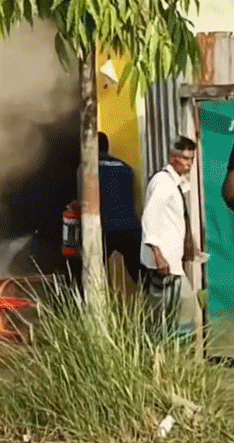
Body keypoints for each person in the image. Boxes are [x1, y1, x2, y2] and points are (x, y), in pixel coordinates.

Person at [141, 136, 198, 337]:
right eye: (185, 158)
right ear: (173, 158)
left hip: (173, 264)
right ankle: (160, 358)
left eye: (191, 159)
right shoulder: (163, 183)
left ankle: (175, 357)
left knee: (182, 310)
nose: (189, 163)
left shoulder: (176, 184)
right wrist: (158, 255)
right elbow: (150, 219)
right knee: (164, 317)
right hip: (163, 266)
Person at [75, 132, 143, 282]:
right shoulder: (126, 168)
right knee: (141, 278)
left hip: (105, 229)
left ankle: (92, 304)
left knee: (89, 276)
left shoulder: (87, 170)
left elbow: (85, 201)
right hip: (131, 227)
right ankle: (156, 304)